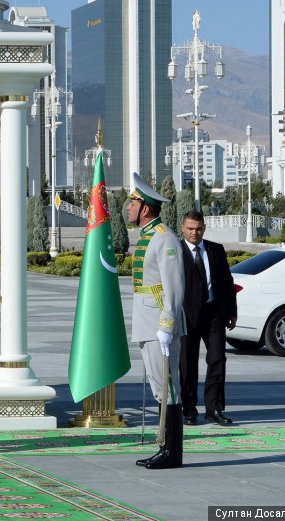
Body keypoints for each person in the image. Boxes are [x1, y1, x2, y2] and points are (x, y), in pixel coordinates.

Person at [126, 173, 186, 470]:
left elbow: (173, 286)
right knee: (159, 386)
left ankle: (172, 451)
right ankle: (164, 446)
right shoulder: (148, 236)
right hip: (147, 321)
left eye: (132, 202)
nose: (128, 207)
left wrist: (167, 324)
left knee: (168, 387)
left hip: (160, 322)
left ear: (145, 208)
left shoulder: (164, 238)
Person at [179, 210, 238, 426]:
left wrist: (232, 311)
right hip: (187, 315)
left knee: (217, 360)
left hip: (213, 313)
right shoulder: (175, 251)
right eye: (190, 229)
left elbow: (227, 282)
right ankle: (189, 409)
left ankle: (214, 408)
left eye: (199, 228)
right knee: (187, 363)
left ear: (204, 228)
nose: (195, 233)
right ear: (183, 228)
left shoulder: (215, 250)